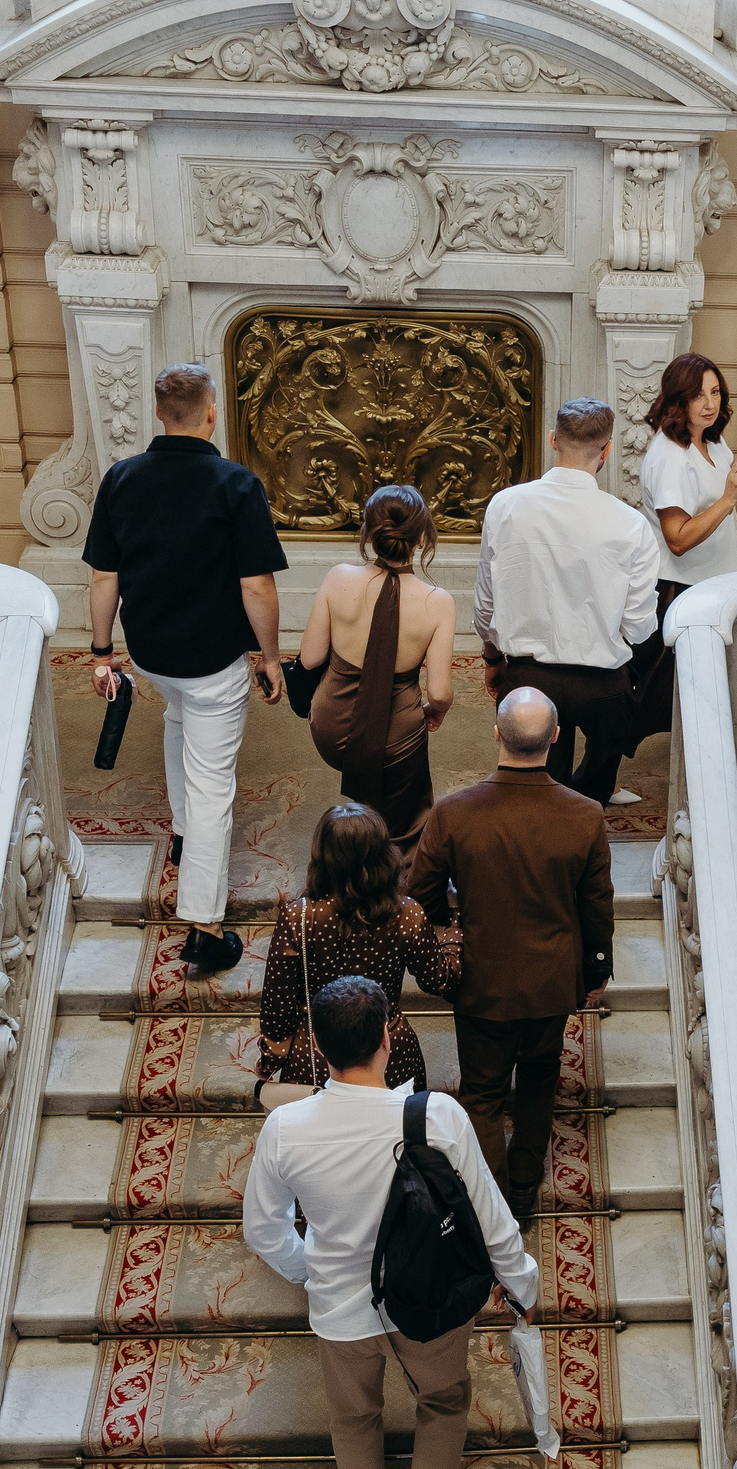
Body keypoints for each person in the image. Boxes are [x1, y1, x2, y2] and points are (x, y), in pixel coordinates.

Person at [242, 973, 538, 1469]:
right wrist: (522, 1285)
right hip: (429, 1302)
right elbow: (491, 1218)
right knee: (443, 1405)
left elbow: (263, 1230)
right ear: (386, 1037)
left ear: (318, 1045)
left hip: (339, 1314)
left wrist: (307, 1270)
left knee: (354, 1420)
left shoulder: (285, 1128)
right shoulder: (438, 1117)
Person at [86, 362, 287, 980]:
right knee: (212, 785)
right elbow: (257, 586)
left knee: (177, 717)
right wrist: (270, 657)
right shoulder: (236, 484)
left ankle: (179, 833)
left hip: (150, 653)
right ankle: (204, 928)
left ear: (157, 412)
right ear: (211, 413)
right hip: (211, 662)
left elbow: (103, 576)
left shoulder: (121, 478)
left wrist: (101, 652)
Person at [407, 688, 615, 1212]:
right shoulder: (586, 815)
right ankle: (524, 1185)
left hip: (481, 977)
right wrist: (597, 967)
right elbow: (596, 905)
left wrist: (451, 926)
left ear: (496, 733)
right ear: (557, 737)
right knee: (540, 1078)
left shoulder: (453, 813)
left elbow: (419, 893)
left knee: (481, 1093)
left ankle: (493, 1202)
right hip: (552, 980)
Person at [473, 398, 660, 803]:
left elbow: (486, 605)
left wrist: (492, 659)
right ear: (607, 451)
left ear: (553, 440)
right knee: (608, 742)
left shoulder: (505, 506)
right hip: (602, 687)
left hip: (529, 678)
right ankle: (589, 803)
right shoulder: (632, 525)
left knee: (532, 791)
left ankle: (541, 815)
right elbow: (639, 626)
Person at [260, 803, 462, 1096]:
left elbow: (277, 1006)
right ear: (384, 855)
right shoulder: (407, 914)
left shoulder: (298, 916)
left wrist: (271, 1060)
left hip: (318, 1054)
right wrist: (455, 924)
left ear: (322, 856)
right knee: (395, 1123)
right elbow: (440, 979)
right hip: (389, 1053)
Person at [624, 355, 737, 795]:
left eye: (715, 392)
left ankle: (695, 775)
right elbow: (678, 538)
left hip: (711, 583)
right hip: (678, 589)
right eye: (698, 394)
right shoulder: (670, 456)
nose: (710, 403)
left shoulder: (710, 440)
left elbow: (714, 487)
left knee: (692, 691)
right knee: (650, 695)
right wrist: (730, 497)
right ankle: (594, 780)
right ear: (677, 399)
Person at [303, 486, 456, 858]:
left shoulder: (337, 578)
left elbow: (309, 658)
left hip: (330, 730)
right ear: (422, 538)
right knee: (411, 806)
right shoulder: (438, 602)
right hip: (394, 743)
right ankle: (398, 856)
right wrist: (434, 712)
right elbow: (439, 693)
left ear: (369, 533)